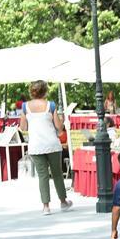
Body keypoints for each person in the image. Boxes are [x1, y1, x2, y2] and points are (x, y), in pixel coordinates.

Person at [19, 80, 72, 215]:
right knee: (57, 174)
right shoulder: (51, 105)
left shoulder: (25, 107)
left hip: (36, 146)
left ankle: (46, 206)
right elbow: (59, 128)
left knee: (42, 176)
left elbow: (23, 127)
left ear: (32, 91)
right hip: (52, 144)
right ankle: (63, 202)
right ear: (45, 91)